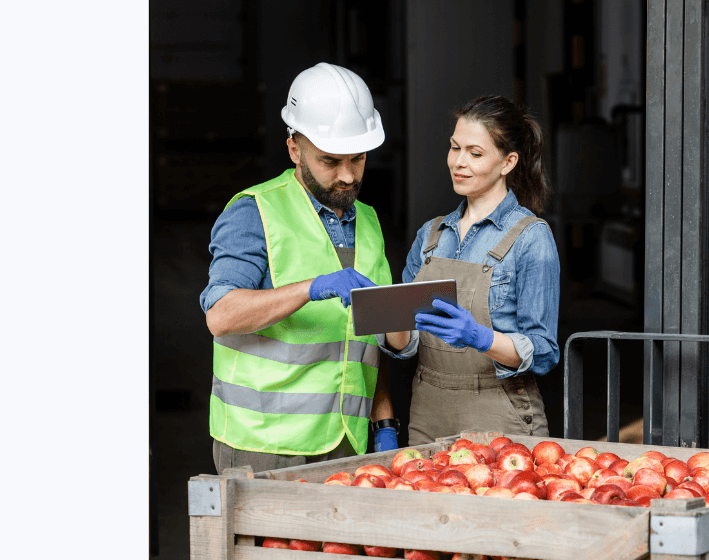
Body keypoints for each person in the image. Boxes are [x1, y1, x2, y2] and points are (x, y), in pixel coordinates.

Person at [202, 62, 404, 474]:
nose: (347, 176)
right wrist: (310, 288)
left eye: (358, 159)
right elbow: (220, 315)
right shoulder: (254, 212)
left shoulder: (367, 220)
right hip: (264, 445)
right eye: (330, 161)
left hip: (349, 441)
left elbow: (377, 338)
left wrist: (383, 420)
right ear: (295, 148)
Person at [380, 96, 561, 445]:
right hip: (427, 412)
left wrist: (481, 338)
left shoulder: (531, 237)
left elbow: (544, 351)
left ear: (508, 162)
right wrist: (386, 312)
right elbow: (406, 344)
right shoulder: (431, 235)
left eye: (475, 154)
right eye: (454, 148)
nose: (459, 163)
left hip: (499, 413)